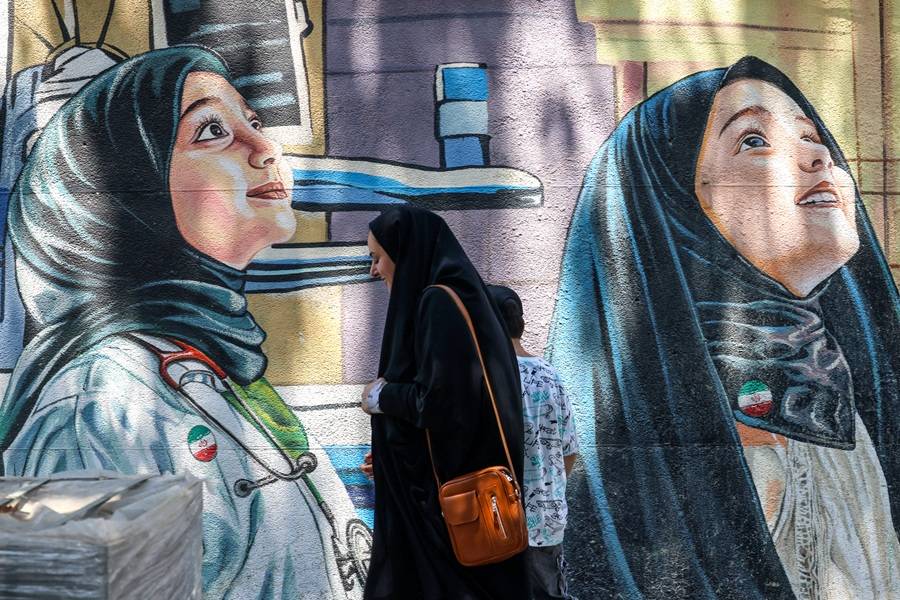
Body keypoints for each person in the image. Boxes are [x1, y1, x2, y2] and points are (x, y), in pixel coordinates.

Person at [0, 46, 369, 599]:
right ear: (123, 196)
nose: (267, 148)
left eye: (254, 122)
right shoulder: (97, 405)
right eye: (213, 130)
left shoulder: (210, 365)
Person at [546, 55, 900, 600]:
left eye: (812, 136)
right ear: (678, 206)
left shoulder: (848, 392)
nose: (818, 156)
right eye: (754, 140)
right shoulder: (662, 431)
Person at [359, 206, 529, 599]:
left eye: (377, 257)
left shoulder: (438, 303)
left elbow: (441, 402)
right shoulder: (455, 298)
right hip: (445, 498)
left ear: (405, 253)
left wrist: (381, 396)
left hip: (443, 510)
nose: (373, 270)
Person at [488, 284, 579, 600]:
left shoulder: (488, 378)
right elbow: (570, 451)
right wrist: (546, 490)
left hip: (497, 524)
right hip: (547, 522)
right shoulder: (549, 375)